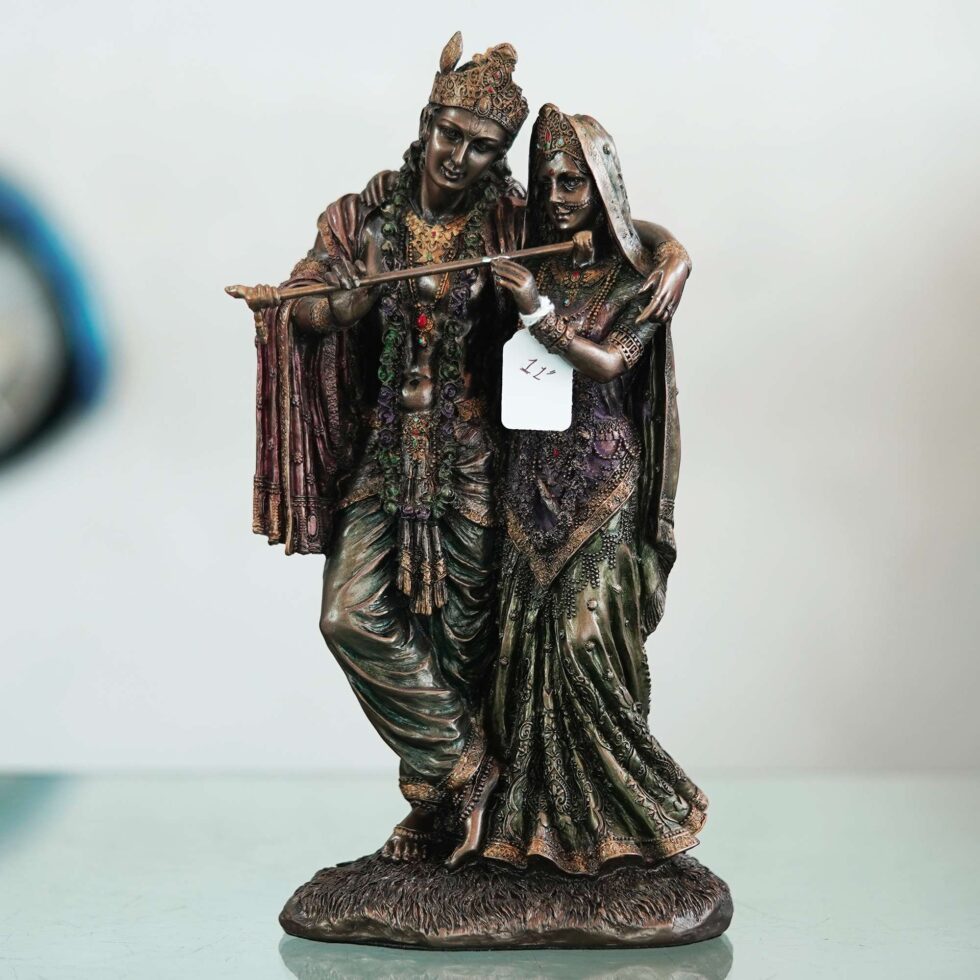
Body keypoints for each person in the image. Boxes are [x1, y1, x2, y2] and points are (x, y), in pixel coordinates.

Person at [233, 38, 693, 867]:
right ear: (426, 122)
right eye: (451, 134)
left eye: (482, 146)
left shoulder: (510, 218)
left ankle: (446, 814)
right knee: (351, 615)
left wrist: (673, 252)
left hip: (478, 456)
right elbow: (302, 301)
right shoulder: (363, 215)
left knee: (465, 639)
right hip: (387, 452)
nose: (459, 156)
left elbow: (599, 225)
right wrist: (336, 307)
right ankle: (460, 771)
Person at [483, 104, 706, 874]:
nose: (557, 196)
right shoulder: (535, 260)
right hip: (529, 485)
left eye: (574, 181)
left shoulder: (635, 278)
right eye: (547, 180)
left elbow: (612, 362)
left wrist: (538, 314)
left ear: (602, 184)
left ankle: (641, 818)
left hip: (603, 487)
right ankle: (540, 833)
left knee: (584, 648)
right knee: (519, 662)